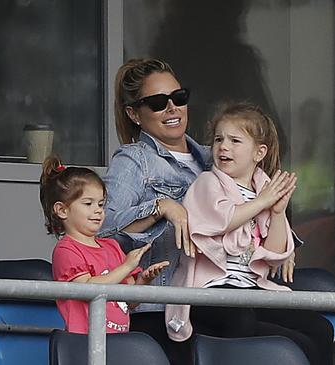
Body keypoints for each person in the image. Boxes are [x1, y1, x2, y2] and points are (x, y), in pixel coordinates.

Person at [165, 103, 333, 365]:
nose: (223, 147)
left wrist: (277, 212)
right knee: (247, 321)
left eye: (235, 140)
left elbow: (276, 254)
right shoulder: (208, 182)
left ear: (259, 152)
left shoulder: (264, 189)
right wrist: (262, 202)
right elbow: (222, 220)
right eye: (219, 139)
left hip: (251, 291)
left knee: (319, 327)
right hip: (209, 293)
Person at [98, 58, 211, 363]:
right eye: (159, 103)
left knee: (313, 330)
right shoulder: (135, 160)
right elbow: (102, 230)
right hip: (160, 310)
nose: (173, 108)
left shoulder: (214, 158)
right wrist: (161, 207)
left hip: (215, 299)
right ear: (134, 114)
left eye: (179, 97)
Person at [39, 155, 168, 334]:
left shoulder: (112, 246)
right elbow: (88, 289)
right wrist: (127, 266)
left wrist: (143, 280)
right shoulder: (66, 249)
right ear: (62, 210)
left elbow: (130, 301)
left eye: (100, 204)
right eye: (88, 203)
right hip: (84, 343)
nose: (98, 210)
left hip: (119, 342)